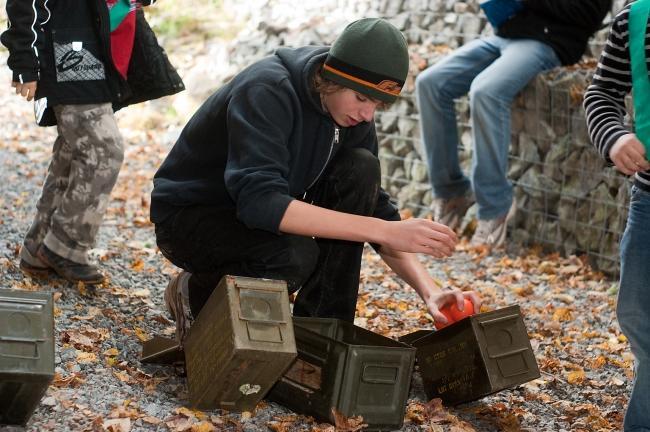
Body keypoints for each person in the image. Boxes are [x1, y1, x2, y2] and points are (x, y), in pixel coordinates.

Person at [150, 18, 480, 341]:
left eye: (377, 104)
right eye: (363, 99)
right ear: (331, 78)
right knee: (293, 256)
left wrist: (430, 291)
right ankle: (195, 292)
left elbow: (374, 209)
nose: (368, 114)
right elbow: (260, 203)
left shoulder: (349, 114)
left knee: (361, 167)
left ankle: (321, 337)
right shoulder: (268, 89)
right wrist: (383, 230)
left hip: (249, 215)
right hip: (190, 217)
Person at [1, 0, 184, 284]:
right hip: (66, 48)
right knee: (104, 150)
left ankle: (39, 248)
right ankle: (66, 246)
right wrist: (24, 60)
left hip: (102, 45)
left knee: (73, 153)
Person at [415, 0, 611, 248]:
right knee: (429, 83)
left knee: (486, 92)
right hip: (504, 36)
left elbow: (589, 13)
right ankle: (451, 193)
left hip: (547, 42)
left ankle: (494, 208)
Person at [584, 1, 650, 429]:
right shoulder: (635, 18)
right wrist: (614, 137)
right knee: (636, 313)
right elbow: (602, 92)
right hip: (649, 200)